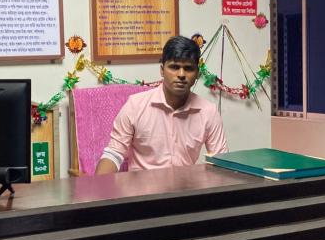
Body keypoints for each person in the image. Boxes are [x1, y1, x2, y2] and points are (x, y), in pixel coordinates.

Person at [95, 35, 228, 174]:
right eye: (174, 67)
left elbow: (221, 161)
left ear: (197, 74)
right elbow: (114, 154)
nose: (181, 74)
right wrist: (100, 188)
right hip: (142, 192)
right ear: (162, 70)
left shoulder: (208, 112)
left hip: (186, 191)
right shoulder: (135, 106)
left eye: (188, 68)